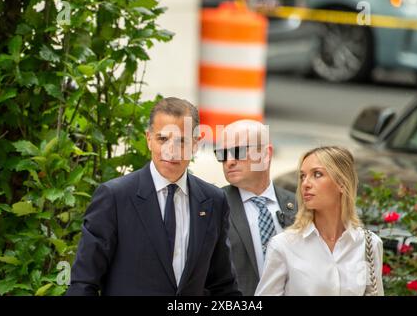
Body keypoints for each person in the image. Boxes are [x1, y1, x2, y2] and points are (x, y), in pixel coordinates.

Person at [66, 97, 241, 296]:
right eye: (162, 139)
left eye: (181, 141)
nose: (171, 150)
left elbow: (223, 286)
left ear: (196, 143)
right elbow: (83, 283)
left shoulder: (213, 201)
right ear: (149, 139)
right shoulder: (114, 198)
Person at [255, 146, 384, 296]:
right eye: (303, 176)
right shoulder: (283, 245)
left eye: (317, 174)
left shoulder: (369, 244)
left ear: (342, 183)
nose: (305, 184)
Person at [214, 120, 297, 296]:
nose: (229, 161)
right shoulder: (213, 207)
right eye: (222, 154)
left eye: (238, 152)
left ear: (265, 154)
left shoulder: (299, 205)